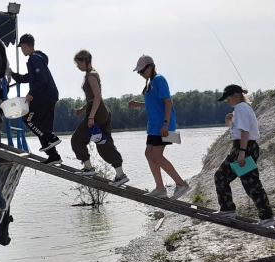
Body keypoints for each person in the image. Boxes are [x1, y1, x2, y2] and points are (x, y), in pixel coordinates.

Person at [213, 84, 275, 227]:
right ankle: (228, 209)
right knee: (222, 176)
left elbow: (245, 133)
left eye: (228, 98)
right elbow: (240, 130)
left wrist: (242, 152)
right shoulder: (241, 109)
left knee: (251, 184)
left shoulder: (241, 108)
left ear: (236, 95)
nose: (227, 102)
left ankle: (267, 217)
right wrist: (230, 123)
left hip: (244, 148)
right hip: (241, 148)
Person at [129, 55, 189, 199]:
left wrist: (166, 124)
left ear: (150, 67)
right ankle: (160, 188)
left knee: (156, 155)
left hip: (163, 125)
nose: (140, 74)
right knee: (148, 154)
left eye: (142, 71)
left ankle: (181, 184)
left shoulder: (159, 80)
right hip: (154, 126)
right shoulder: (150, 82)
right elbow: (154, 104)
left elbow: (168, 103)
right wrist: (138, 104)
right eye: (139, 72)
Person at [71, 50, 128, 185]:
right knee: (104, 144)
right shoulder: (91, 74)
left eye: (78, 63)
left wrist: (91, 117)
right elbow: (93, 98)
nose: (77, 66)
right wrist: (83, 108)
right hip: (100, 111)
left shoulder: (91, 76)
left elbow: (97, 97)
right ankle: (120, 174)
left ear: (85, 60)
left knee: (77, 140)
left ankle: (88, 168)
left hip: (96, 112)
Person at [9, 34, 62, 165]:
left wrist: (32, 93)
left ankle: (51, 138)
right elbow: (28, 78)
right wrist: (12, 74)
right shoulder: (37, 58)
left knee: (27, 118)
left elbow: (42, 79)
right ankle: (54, 156)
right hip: (50, 95)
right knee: (43, 126)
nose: (21, 50)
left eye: (21, 47)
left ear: (25, 45)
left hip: (44, 96)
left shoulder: (34, 58)